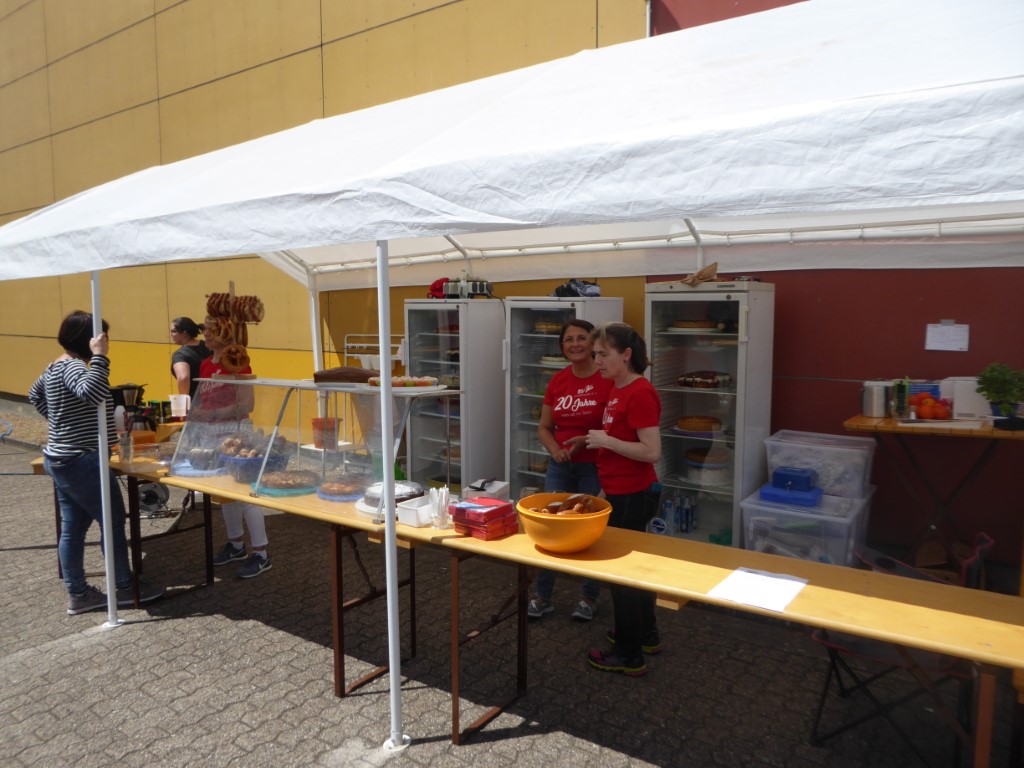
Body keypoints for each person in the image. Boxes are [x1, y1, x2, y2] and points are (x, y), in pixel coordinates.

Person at [29, 310, 165, 615]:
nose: (105, 341)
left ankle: (78, 594)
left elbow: (34, 395)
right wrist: (101, 358)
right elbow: (92, 392)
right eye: (101, 337)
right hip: (82, 459)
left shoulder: (55, 366)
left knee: (73, 528)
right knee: (113, 522)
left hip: (62, 457)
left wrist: (62, 421)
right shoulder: (75, 367)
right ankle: (125, 588)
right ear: (88, 340)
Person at [583, 322, 662, 677]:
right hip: (621, 492)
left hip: (634, 494)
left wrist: (606, 441)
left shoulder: (640, 392)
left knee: (622, 575)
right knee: (635, 572)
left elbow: (652, 452)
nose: (596, 360)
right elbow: (619, 447)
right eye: (595, 354)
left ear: (626, 355)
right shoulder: (618, 388)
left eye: (603, 354)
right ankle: (644, 634)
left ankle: (629, 654)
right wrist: (605, 490)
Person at [529, 319, 613, 621]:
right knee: (550, 527)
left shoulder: (608, 379)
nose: (575, 344)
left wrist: (587, 442)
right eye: (568, 340)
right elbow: (544, 427)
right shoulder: (558, 381)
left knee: (590, 530)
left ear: (594, 344)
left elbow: (616, 427)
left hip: (595, 466)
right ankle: (542, 597)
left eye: (581, 338)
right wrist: (556, 450)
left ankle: (588, 598)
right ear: (562, 347)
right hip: (561, 466)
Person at [195, 320, 271, 578]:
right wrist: (199, 414)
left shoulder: (239, 363)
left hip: (236, 433)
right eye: (205, 329)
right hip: (211, 434)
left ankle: (261, 553)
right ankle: (236, 544)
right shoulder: (206, 364)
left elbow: (246, 403)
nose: (205, 333)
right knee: (224, 492)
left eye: (211, 329)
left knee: (245, 493)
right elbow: (204, 398)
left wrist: (213, 413)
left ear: (225, 334)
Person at [170, 316, 212, 398]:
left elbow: (183, 377)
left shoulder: (180, 355)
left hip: (195, 402)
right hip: (214, 398)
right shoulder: (209, 346)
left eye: (173, 332)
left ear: (184, 334)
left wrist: (184, 401)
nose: (171, 335)